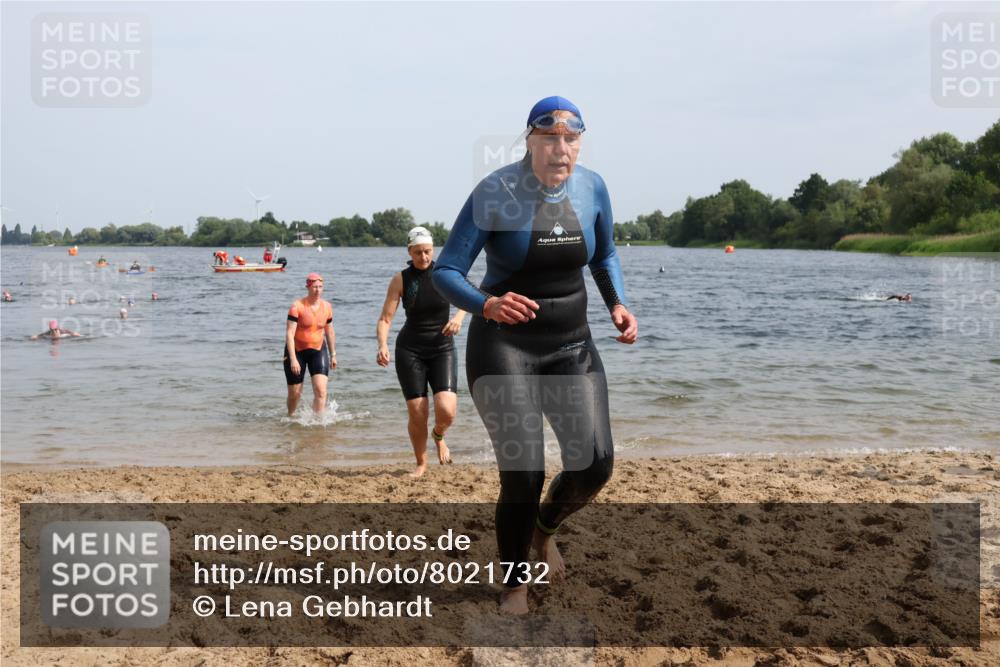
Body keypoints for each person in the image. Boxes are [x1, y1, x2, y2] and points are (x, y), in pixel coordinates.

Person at [433, 96, 637, 614]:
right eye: (550, 139)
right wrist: (487, 304)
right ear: (529, 140)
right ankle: (514, 584)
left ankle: (544, 531)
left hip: (572, 345)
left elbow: (606, 252)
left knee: (595, 465)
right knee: (523, 470)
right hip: (504, 346)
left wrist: (617, 304)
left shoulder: (593, 188)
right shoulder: (494, 191)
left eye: (571, 140)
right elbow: (446, 271)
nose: (561, 149)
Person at [377, 226, 467, 477]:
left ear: (433, 249)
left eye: (427, 251)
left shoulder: (445, 274)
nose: (424, 257)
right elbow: (385, 319)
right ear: (409, 251)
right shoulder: (400, 280)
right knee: (418, 413)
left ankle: (439, 435)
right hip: (410, 350)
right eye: (418, 253)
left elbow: (469, 298)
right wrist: (382, 345)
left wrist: (459, 317)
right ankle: (421, 463)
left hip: (442, 348)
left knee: (447, 411)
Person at [285, 272, 337, 416]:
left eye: (320, 287)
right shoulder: (297, 307)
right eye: (314, 287)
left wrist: (333, 354)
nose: (318, 290)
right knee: (295, 393)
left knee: (321, 390)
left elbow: (330, 331)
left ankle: (318, 422)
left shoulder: (327, 307)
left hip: (318, 349)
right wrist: (293, 359)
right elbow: (289, 334)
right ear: (308, 287)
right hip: (297, 351)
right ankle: (291, 417)